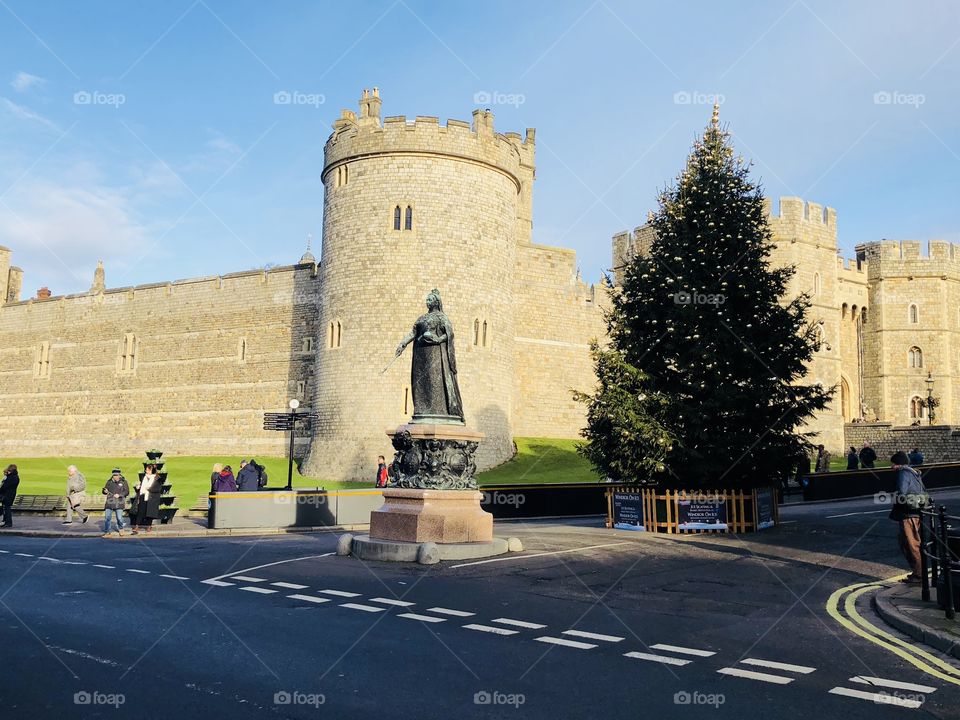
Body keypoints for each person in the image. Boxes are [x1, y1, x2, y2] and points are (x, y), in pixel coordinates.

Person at [888, 451, 929, 583]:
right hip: (915, 512)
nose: (891, 467)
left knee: (911, 544)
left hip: (908, 514)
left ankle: (919, 575)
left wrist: (895, 497)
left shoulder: (903, 473)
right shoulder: (913, 472)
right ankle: (918, 572)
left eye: (893, 464)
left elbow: (902, 492)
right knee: (906, 542)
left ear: (899, 464)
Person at [132, 464, 162, 534]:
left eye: (148, 470)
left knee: (150, 512)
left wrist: (150, 489)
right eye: (146, 469)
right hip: (143, 496)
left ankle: (149, 526)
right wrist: (138, 487)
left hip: (152, 497)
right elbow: (142, 487)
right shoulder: (144, 477)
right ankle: (137, 526)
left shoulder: (157, 478)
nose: (146, 471)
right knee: (140, 512)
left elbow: (158, 489)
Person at [101, 469, 129, 537]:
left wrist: (119, 495)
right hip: (109, 502)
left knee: (119, 518)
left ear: (119, 475)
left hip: (119, 502)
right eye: (114, 475)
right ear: (112, 476)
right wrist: (105, 491)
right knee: (107, 518)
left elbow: (127, 492)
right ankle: (107, 532)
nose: (116, 477)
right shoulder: (109, 482)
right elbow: (104, 491)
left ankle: (121, 528)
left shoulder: (124, 482)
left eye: (117, 475)